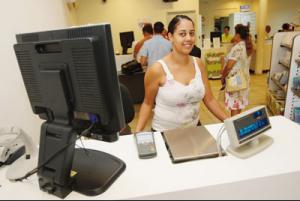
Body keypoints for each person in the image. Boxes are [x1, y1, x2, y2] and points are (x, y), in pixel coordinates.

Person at [135, 15, 229, 132]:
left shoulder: (198, 64)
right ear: (170, 36)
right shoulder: (157, 69)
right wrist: (137, 133)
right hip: (165, 133)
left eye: (192, 33)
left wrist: (230, 122)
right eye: (182, 34)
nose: (189, 38)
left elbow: (209, 99)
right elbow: (148, 103)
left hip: (193, 130)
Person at [221, 24, 253, 117]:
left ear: (238, 35)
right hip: (244, 80)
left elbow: (229, 66)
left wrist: (223, 77)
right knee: (239, 104)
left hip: (235, 81)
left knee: (235, 105)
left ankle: (234, 126)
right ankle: (237, 124)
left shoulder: (238, 47)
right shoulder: (247, 47)